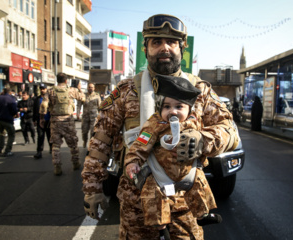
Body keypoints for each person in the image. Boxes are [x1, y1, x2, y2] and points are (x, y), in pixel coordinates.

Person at [81, 14, 239, 240]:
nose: (164, 47)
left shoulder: (199, 90)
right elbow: (100, 142)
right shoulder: (126, 91)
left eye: (171, 42)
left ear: (182, 48)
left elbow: (229, 130)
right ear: (146, 49)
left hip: (187, 200)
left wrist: (203, 139)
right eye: (156, 42)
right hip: (137, 202)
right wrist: (92, 188)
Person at [125, 74, 222, 236]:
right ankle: (159, 226)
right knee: (153, 194)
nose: (172, 112)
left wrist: (203, 140)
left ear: (189, 109)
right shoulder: (155, 124)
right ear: (159, 108)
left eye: (179, 107)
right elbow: (141, 143)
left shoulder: (195, 122)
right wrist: (133, 161)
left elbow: (213, 137)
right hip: (159, 174)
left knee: (200, 185)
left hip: (188, 173)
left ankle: (202, 215)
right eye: (167, 107)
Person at [40, 72, 85, 176]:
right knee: (73, 144)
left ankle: (57, 167)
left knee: (55, 145)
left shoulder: (50, 91)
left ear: (57, 80)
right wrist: (79, 89)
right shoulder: (71, 90)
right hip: (68, 121)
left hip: (55, 122)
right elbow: (83, 98)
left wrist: (42, 119)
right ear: (66, 81)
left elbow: (43, 105)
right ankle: (75, 163)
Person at [0, 87, 18, 156]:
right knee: (11, 134)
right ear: (10, 92)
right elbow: (14, 109)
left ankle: (0, 148)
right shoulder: (11, 98)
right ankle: (7, 150)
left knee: (2, 133)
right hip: (7, 119)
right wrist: (14, 114)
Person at [33, 83, 52, 159]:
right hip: (40, 121)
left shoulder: (50, 99)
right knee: (40, 136)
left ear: (46, 89)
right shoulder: (37, 99)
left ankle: (51, 148)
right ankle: (39, 152)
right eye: (41, 88)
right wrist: (34, 120)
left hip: (49, 121)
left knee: (50, 136)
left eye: (43, 88)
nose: (42, 90)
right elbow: (34, 110)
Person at [81, 83, 101, 148]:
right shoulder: (84, 95)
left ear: (94, 88)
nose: (90, 88)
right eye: (89, 87)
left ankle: (90, 145)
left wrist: (100, 116)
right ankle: (85, 141)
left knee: (92, 132)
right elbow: (79, 105)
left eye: (92, 87)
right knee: (84, 131)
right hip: (85, 117)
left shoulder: (97, 96)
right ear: (87, 88)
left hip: (94, 117)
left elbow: (100, 107)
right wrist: (78, 113)